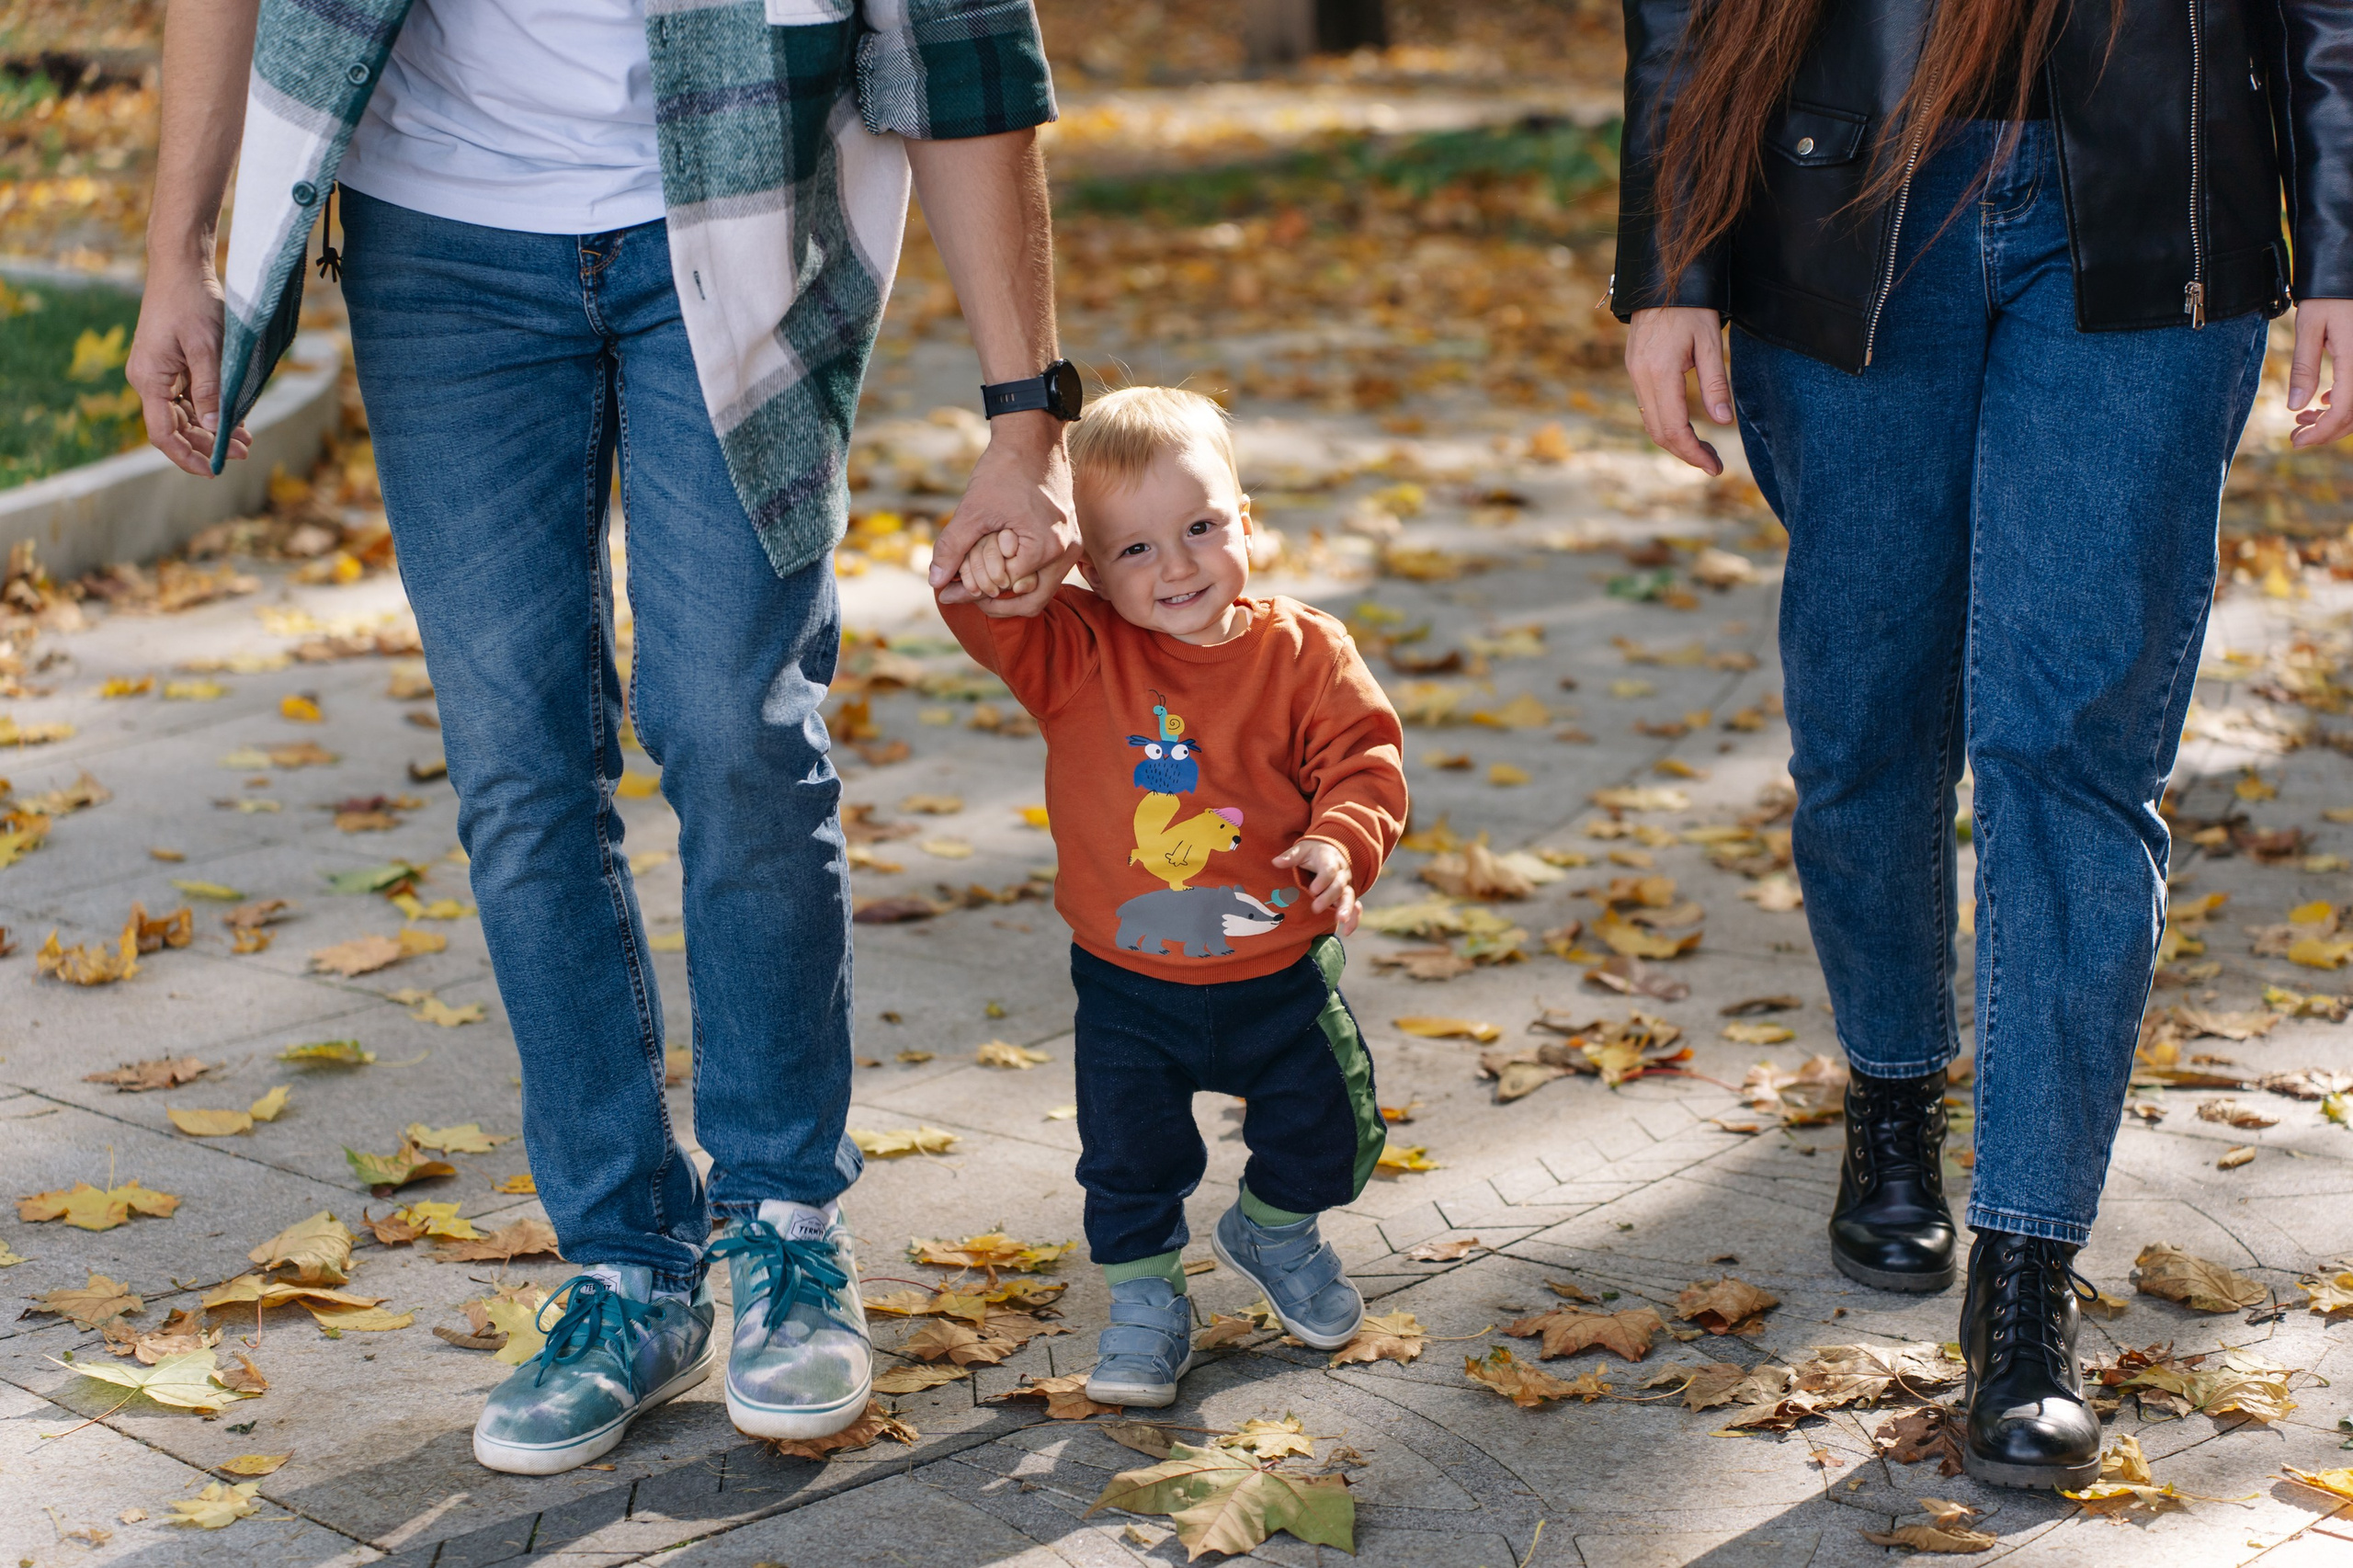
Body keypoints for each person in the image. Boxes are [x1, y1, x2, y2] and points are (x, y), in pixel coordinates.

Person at [129, 0, 1081, 1474]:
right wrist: (177, 255)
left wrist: (1028, 427)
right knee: (517, 768)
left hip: (738, 213)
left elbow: (963, 54)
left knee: (733, 726)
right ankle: (626, 1266)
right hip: (438, 234)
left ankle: (782, 1226)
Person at [1612, 0, 2353, 1491]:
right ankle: (1895, 1085)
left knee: (2072, 748)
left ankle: (2026, 1274)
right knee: (1866, 722)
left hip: (2159, 191)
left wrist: (2343, 238)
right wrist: (1673, 255)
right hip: (1845, 186)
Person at [937, 387, 1407, 1406]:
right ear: (1089, 568)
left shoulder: (1304, 652)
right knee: (1127, 1159)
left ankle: (1274, 1229)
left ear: (1249, 518)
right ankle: (1145, 1296)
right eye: (1136, 549)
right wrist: (999, 562)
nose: (1179, 564)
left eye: (1200, 527)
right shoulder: (1078, 650)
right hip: (1126, 985)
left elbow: (1365, 765)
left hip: (1278, 974)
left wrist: (1338, 840)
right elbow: (983, 609)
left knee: (1329, 1130)